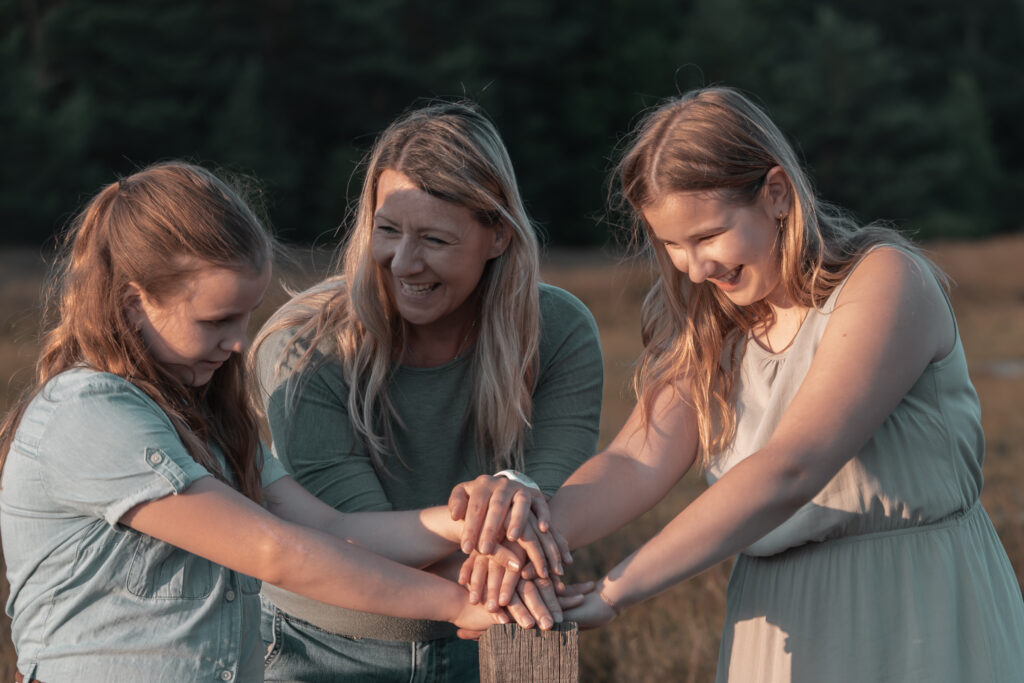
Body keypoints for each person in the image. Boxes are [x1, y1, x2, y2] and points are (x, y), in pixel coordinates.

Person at [452, 86, 1024, 681]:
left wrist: (618, 589)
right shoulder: (711, 327)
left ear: (776, 194)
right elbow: (633, 462)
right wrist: (526, 543)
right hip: (774, 621)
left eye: (707, 237)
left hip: (915, 610)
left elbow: (791, 467)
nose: (696, 268)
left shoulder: (885, 282)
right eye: (672, 245)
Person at [0, 162, 565, 683]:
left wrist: (471, 520)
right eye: (217, 320)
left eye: (246, 315)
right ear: (133, 303)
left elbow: (328, 528)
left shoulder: (203, 418)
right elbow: (277, 552)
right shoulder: (88, 414)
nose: (240, 341)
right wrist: (459, 604)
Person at [251, 100, 604, 681]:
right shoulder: (302, 345)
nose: (403, 262)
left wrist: (520, 505)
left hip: (494, 641)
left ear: (496, 236)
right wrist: (509, 556)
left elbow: (559, 508)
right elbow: (358, 538)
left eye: (435, 240)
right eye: (387, 231)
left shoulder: (559, 331)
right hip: (319, 649)